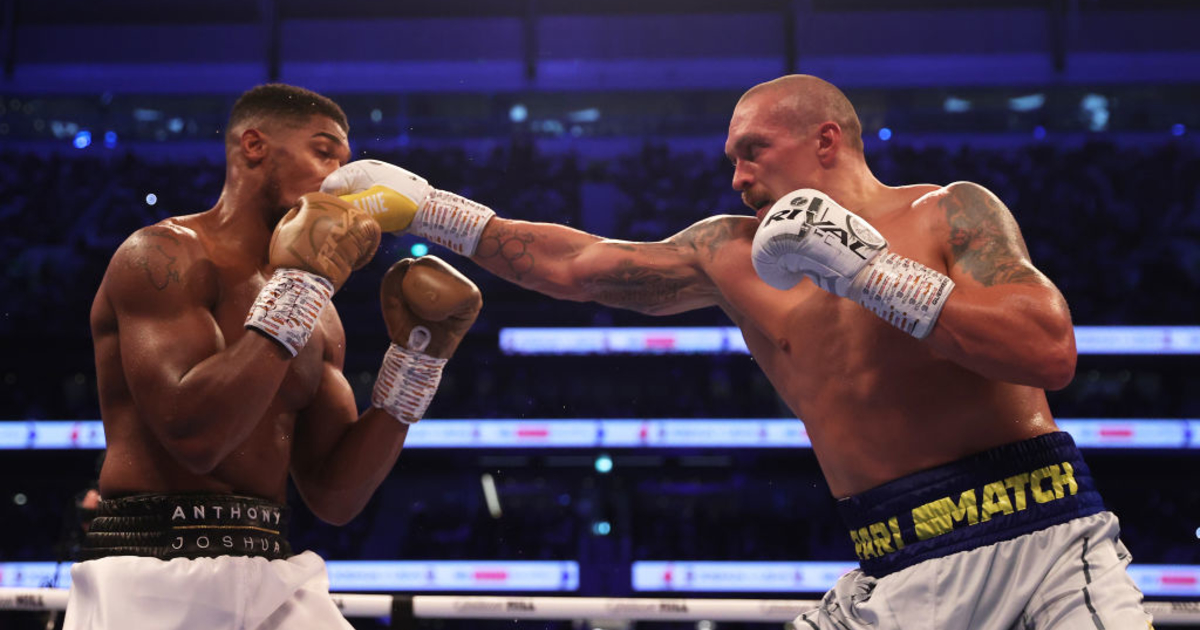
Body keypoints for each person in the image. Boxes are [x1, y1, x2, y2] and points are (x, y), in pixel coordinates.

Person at [320, 75, 1152, 628]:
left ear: (827, 140)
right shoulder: (729, 254)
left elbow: (1049, 350)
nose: (738, 177)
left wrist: (869, 271)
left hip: (1041, 540)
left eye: (755, 150)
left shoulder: (948, 212)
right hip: (894, 564)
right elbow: (577, 266)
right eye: (732, 160)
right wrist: (432, 210)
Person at [73, 83, 482, 630]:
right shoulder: (162, 255)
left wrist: (417, 363)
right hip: (153, 568)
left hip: (271, 565)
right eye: (323, 152)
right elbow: (196, 438)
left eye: (345, 162)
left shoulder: (321, 312)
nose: (339, 179)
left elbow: (335, 497)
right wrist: (300, 290)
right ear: (254, 146)